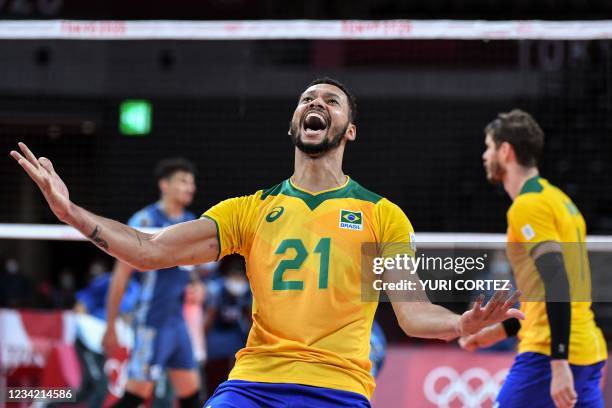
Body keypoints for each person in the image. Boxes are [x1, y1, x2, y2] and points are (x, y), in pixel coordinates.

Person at [11, 77, 523, 408]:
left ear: (349, 131)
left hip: (335, 388)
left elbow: (411, 312)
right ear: (294, 125)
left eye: (330, 101)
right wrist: (70, 212)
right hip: (252, 384)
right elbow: (148, 250)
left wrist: (460, 322)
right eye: (307, 100)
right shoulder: (250, 211)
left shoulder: (381, 216)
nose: (315, 104)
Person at [460, 110, 607, 408]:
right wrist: (496, 333)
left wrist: (559, 361)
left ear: (506, 151)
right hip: (588, 350)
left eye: (489, 147)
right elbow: (544, 296)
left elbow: (557, 282)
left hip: (546, 354)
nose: (484, 156)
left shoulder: (528, 206)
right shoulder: (561, 200)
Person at [101, 158, 202, 408]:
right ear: (164, 185)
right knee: (136, 394)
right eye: (183, 181)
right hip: (152, 321)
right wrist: (111, 324)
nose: (190, 187)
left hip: (177, 321)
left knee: (191, 392)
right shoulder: (144, 221)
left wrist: (196, 284)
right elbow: (121, 275)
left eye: (192, 182)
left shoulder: (191, 221)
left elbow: (190, 270)